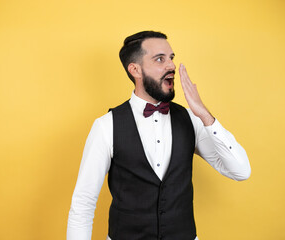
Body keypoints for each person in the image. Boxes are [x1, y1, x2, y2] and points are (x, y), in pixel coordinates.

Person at [67, 31, 251, 240]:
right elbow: (83, 205)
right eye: (159, 59)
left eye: (171, 58)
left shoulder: (191, 119)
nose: (171, 66)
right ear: (135, 69)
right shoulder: (106, 126)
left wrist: (205, 116)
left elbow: (241, 171)